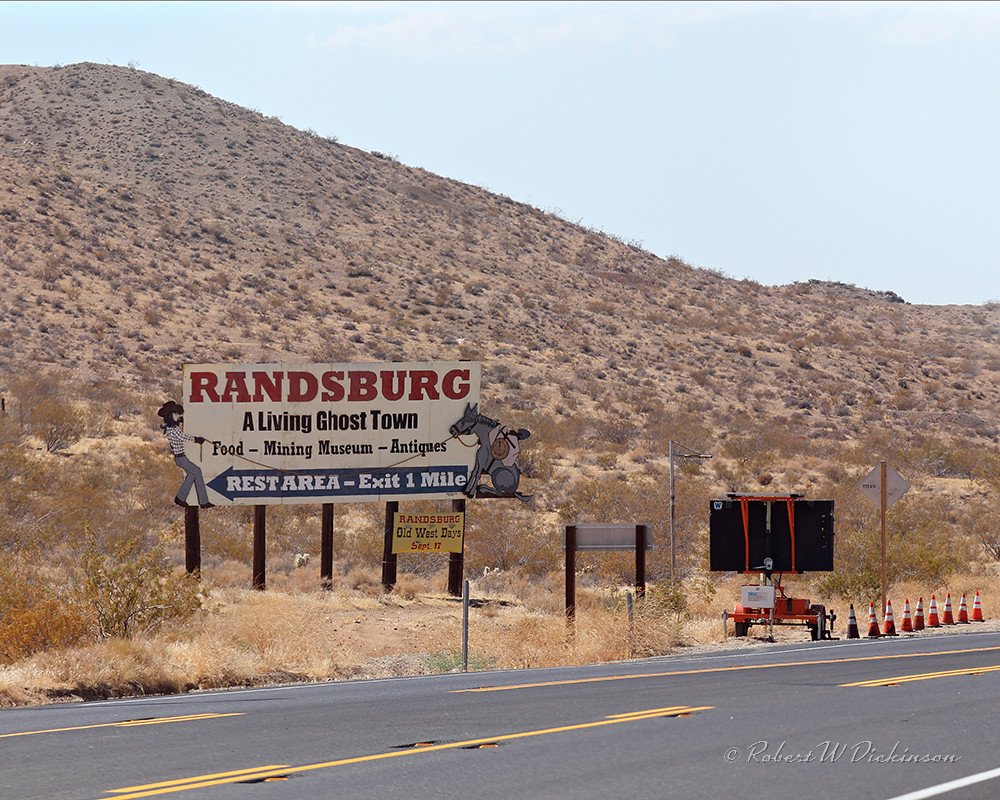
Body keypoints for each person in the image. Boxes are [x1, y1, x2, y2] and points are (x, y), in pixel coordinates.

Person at [157, 400, 213, 508]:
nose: (178, 416)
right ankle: (203, 501)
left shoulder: (170, 428)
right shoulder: (173, 430)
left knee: (192, 474)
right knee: (197, 471)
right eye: (176, 414)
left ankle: (180, 498)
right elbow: (183, 437)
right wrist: (197, 439)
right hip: (181, 458)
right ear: (171, 415)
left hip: (180, 457)